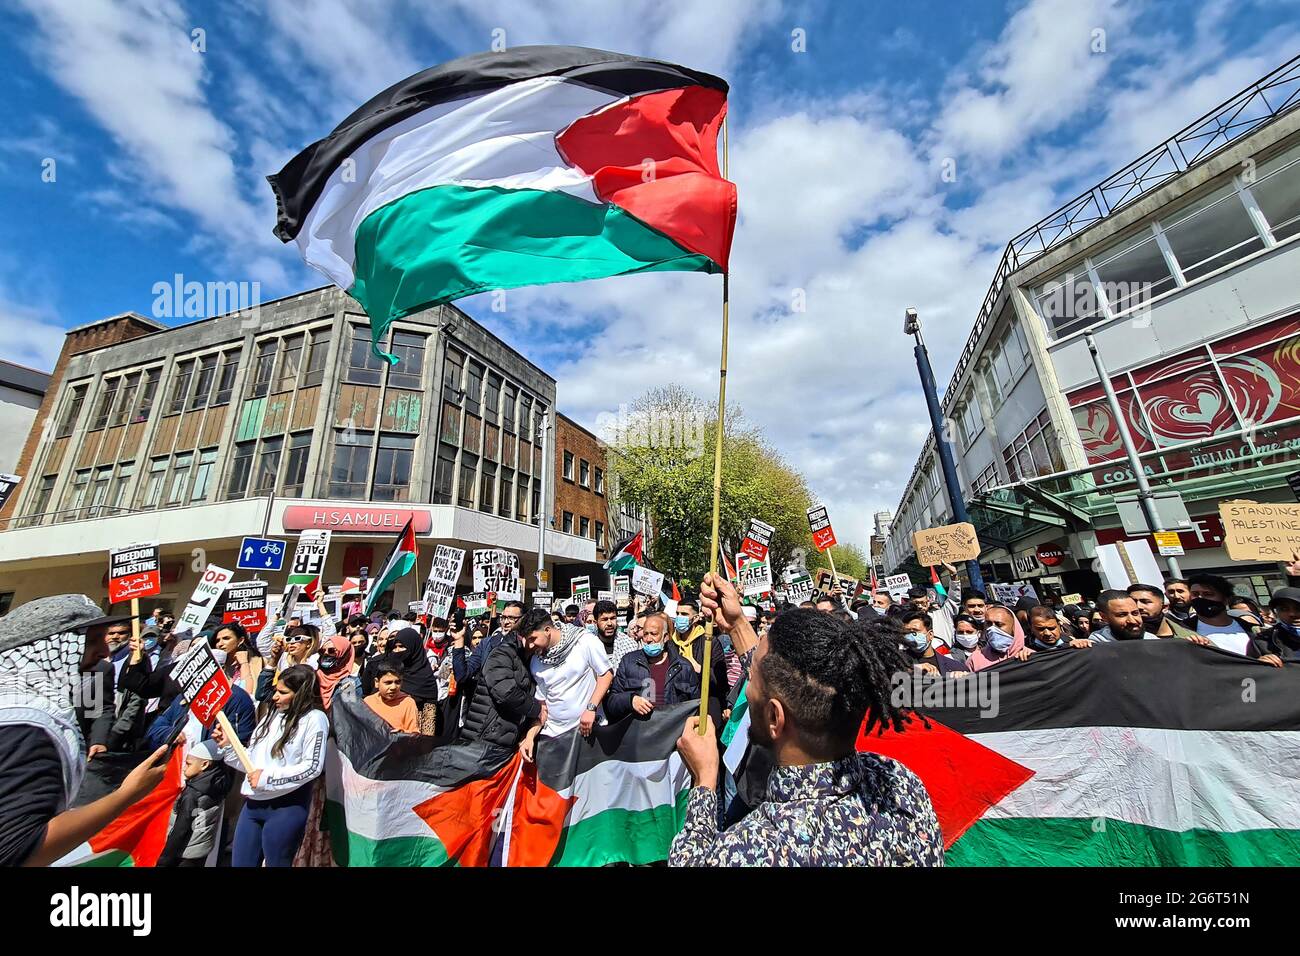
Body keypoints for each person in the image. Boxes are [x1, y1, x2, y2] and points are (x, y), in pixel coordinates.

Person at [668, 604, 943, 867]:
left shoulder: (748, 849)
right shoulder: (900, 785)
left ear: (775, 718)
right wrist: (738, 624)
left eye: (750, 679)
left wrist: (703, 782)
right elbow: (790, 679)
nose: (747, 688)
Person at [0, 594, 172, 867]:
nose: (104, 652)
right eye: (91, 641)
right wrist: (127, 794)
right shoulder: (29, 727)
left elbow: (98, 710)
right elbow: (19, 849)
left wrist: (98, 740)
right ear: (48, 648)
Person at [215, 664, 328, 868]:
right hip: (252, 804)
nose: (275, 697)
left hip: (286, 807)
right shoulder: (272, 716)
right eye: (276, 690)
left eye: (283, 692)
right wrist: (229, 747)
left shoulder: (315, 719)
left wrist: (268, 778)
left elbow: (312, 767)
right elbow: (252, 762)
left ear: (300, 694)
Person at [517, 608, 614, 757]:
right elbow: (543, 707)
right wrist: (529, 737)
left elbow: (606, 675)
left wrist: (591, 708)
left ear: (548, 630)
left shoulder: (584, 641)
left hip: (588, 733)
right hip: (554, 738)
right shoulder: (536, 661)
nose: (529, 645)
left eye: (533, 638)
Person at [605, 611, 729, 724]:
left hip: (671, 739)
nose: (648, 639)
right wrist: (630, 700)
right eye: (645, 634)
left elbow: (695, 706)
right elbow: (612, 702)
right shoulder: (629, 662)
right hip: (638, 737)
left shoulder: (683, 667)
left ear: (665, 637)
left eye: (654, 634)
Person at [458, 607, 543, 752]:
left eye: (512, 618)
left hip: (507, 739)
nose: (506, 622)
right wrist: (537, 708)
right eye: (504, 617)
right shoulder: (501, 653)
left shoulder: (532, 659)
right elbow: (506, 692)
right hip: (485, 738)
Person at [157, 737, 232, 867]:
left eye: (189, 764)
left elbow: (182, 829)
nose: (184, 768)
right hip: (200, 852)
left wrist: (164, 859)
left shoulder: (192, 794)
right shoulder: (219, 785)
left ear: (204, 764)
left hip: (183, 854)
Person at [376, 627, 441, 734]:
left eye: (401, 647)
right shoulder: (387, 672)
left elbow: (428, 725)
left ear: (414, 648)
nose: (397, 651)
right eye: (395, 647)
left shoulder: (426, 681)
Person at [1188, 574, 1257, 655]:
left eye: (1208, 594)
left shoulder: (1251, 629)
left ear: (1226, 600)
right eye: (1195, 594)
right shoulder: (1182, 629)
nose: (1200, 598)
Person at [1126, 584, 1210, 643]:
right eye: (1133, 602)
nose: (1138, 606)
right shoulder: (1121, 637)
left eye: (1145, 602)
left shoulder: (1190, 635)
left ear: (1165, 607)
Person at [907, 562, 962, 648]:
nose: (920, 606)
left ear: (928, 601)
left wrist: (953, 575)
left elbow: (954, 598)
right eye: (916, 604)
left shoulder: (942, 614)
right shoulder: (906, 622)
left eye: (922, 603)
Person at [966, 605, 1034, 671]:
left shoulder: (1031, 657)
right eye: (989, 624)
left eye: (999, 624)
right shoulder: (975, 659)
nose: (992, 629)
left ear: (1014, 628)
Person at [900, 612, 969, 674]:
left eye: (915, 631)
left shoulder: (955, 667)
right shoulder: (898, 661)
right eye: (907, 632)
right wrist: (912, 669)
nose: (911, 636)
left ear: (930, 635)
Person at [364, 660, 421, 733]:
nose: (393, 687)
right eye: (388, 683)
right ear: (377, 682)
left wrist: (402, 733)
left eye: (398, 682)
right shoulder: (368, 702)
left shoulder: (408, 703)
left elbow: (415, 733)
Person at [1249, 587, 1300, 665]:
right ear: (1275, 612)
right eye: (1284, 609)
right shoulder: (1264, 639)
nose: (1292, 614)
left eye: (1298, 608)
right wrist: (1260, 662)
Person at [214, 622, 264, 698]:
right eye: (217, 640)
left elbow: (248, 693)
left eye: (226, 638)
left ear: (240, 640)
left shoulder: (256, 662)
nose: (220, 644)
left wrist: (244, 663)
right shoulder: (216, 665)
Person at [1025, 606, 1091, 651]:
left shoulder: (1071, 642)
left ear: (1059, 625)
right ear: (1031, 628)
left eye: (1052, 628)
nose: (1047, 633)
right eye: (1040, 629)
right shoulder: (1026, 649)